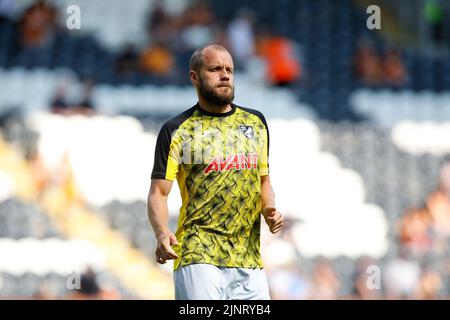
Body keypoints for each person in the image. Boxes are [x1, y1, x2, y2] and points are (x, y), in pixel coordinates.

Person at [147, 44, 283, 300]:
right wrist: (161, 231)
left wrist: (269, 209)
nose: (225, 75)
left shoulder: (256, 123)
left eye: (229, 69)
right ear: (194, 76)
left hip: (249, 258)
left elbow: (264, 181)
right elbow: (158, 193)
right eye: (215, 69)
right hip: (199, 254)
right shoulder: (176, 130)